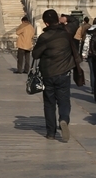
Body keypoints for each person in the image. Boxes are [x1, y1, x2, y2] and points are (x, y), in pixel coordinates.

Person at [30, 8, 77, 140]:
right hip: (64, 72)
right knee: (64, 100)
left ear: (46, 23)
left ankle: (51, 132)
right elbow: (76, 21)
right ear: (57, 19)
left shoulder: (44, 37)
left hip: (48, 74)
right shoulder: (67, 31)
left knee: (49, 103)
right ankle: (63, 119)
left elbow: (35, 54)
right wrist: (66, 18)